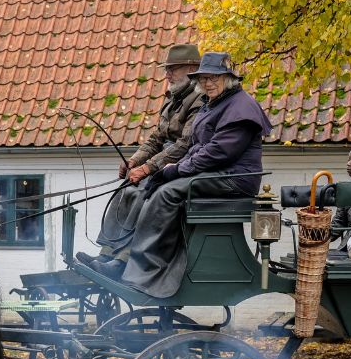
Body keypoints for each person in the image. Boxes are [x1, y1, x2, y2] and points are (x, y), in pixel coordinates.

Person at [91, 52, 272, 298]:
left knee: (167, 193)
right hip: (215, 173)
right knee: (155, 185)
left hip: (234, 179)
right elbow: (196, 146)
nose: (208, 83)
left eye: (214, 78)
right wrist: (167, 168)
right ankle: (117, 256)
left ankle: (146, 268)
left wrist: (177, 169)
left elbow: (218, 152)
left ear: (228, 78)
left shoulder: (241, 106)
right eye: (204, 78)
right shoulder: (215, 104)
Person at [75, 43, 204, 269]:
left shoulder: (199, 100)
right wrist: (134, 161)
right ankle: (107, 252)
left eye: (174, 68)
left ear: (192, 69)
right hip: (164, 160)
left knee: (145, 190)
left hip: (182, 164)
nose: (168, 74)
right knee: (126, 188)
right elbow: (156, 139)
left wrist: (148, 168)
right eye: (167, 69)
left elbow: (185, 144)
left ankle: (123, 260)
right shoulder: (172, 99)